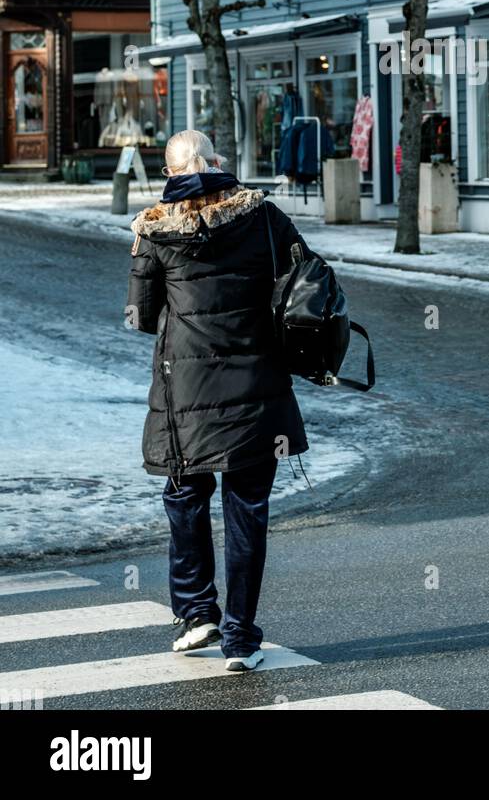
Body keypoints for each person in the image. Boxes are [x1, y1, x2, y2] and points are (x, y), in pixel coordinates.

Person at [126, 128, 314, 672]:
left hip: (187, 400)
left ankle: (196, 611)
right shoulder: (265, 218)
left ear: (172, 174)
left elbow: (140, 316)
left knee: (185, 499)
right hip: (260, 396)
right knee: (247, 512)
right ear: (217, 162)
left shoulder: (155, 233)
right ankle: (241, 640)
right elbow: (308, 283)